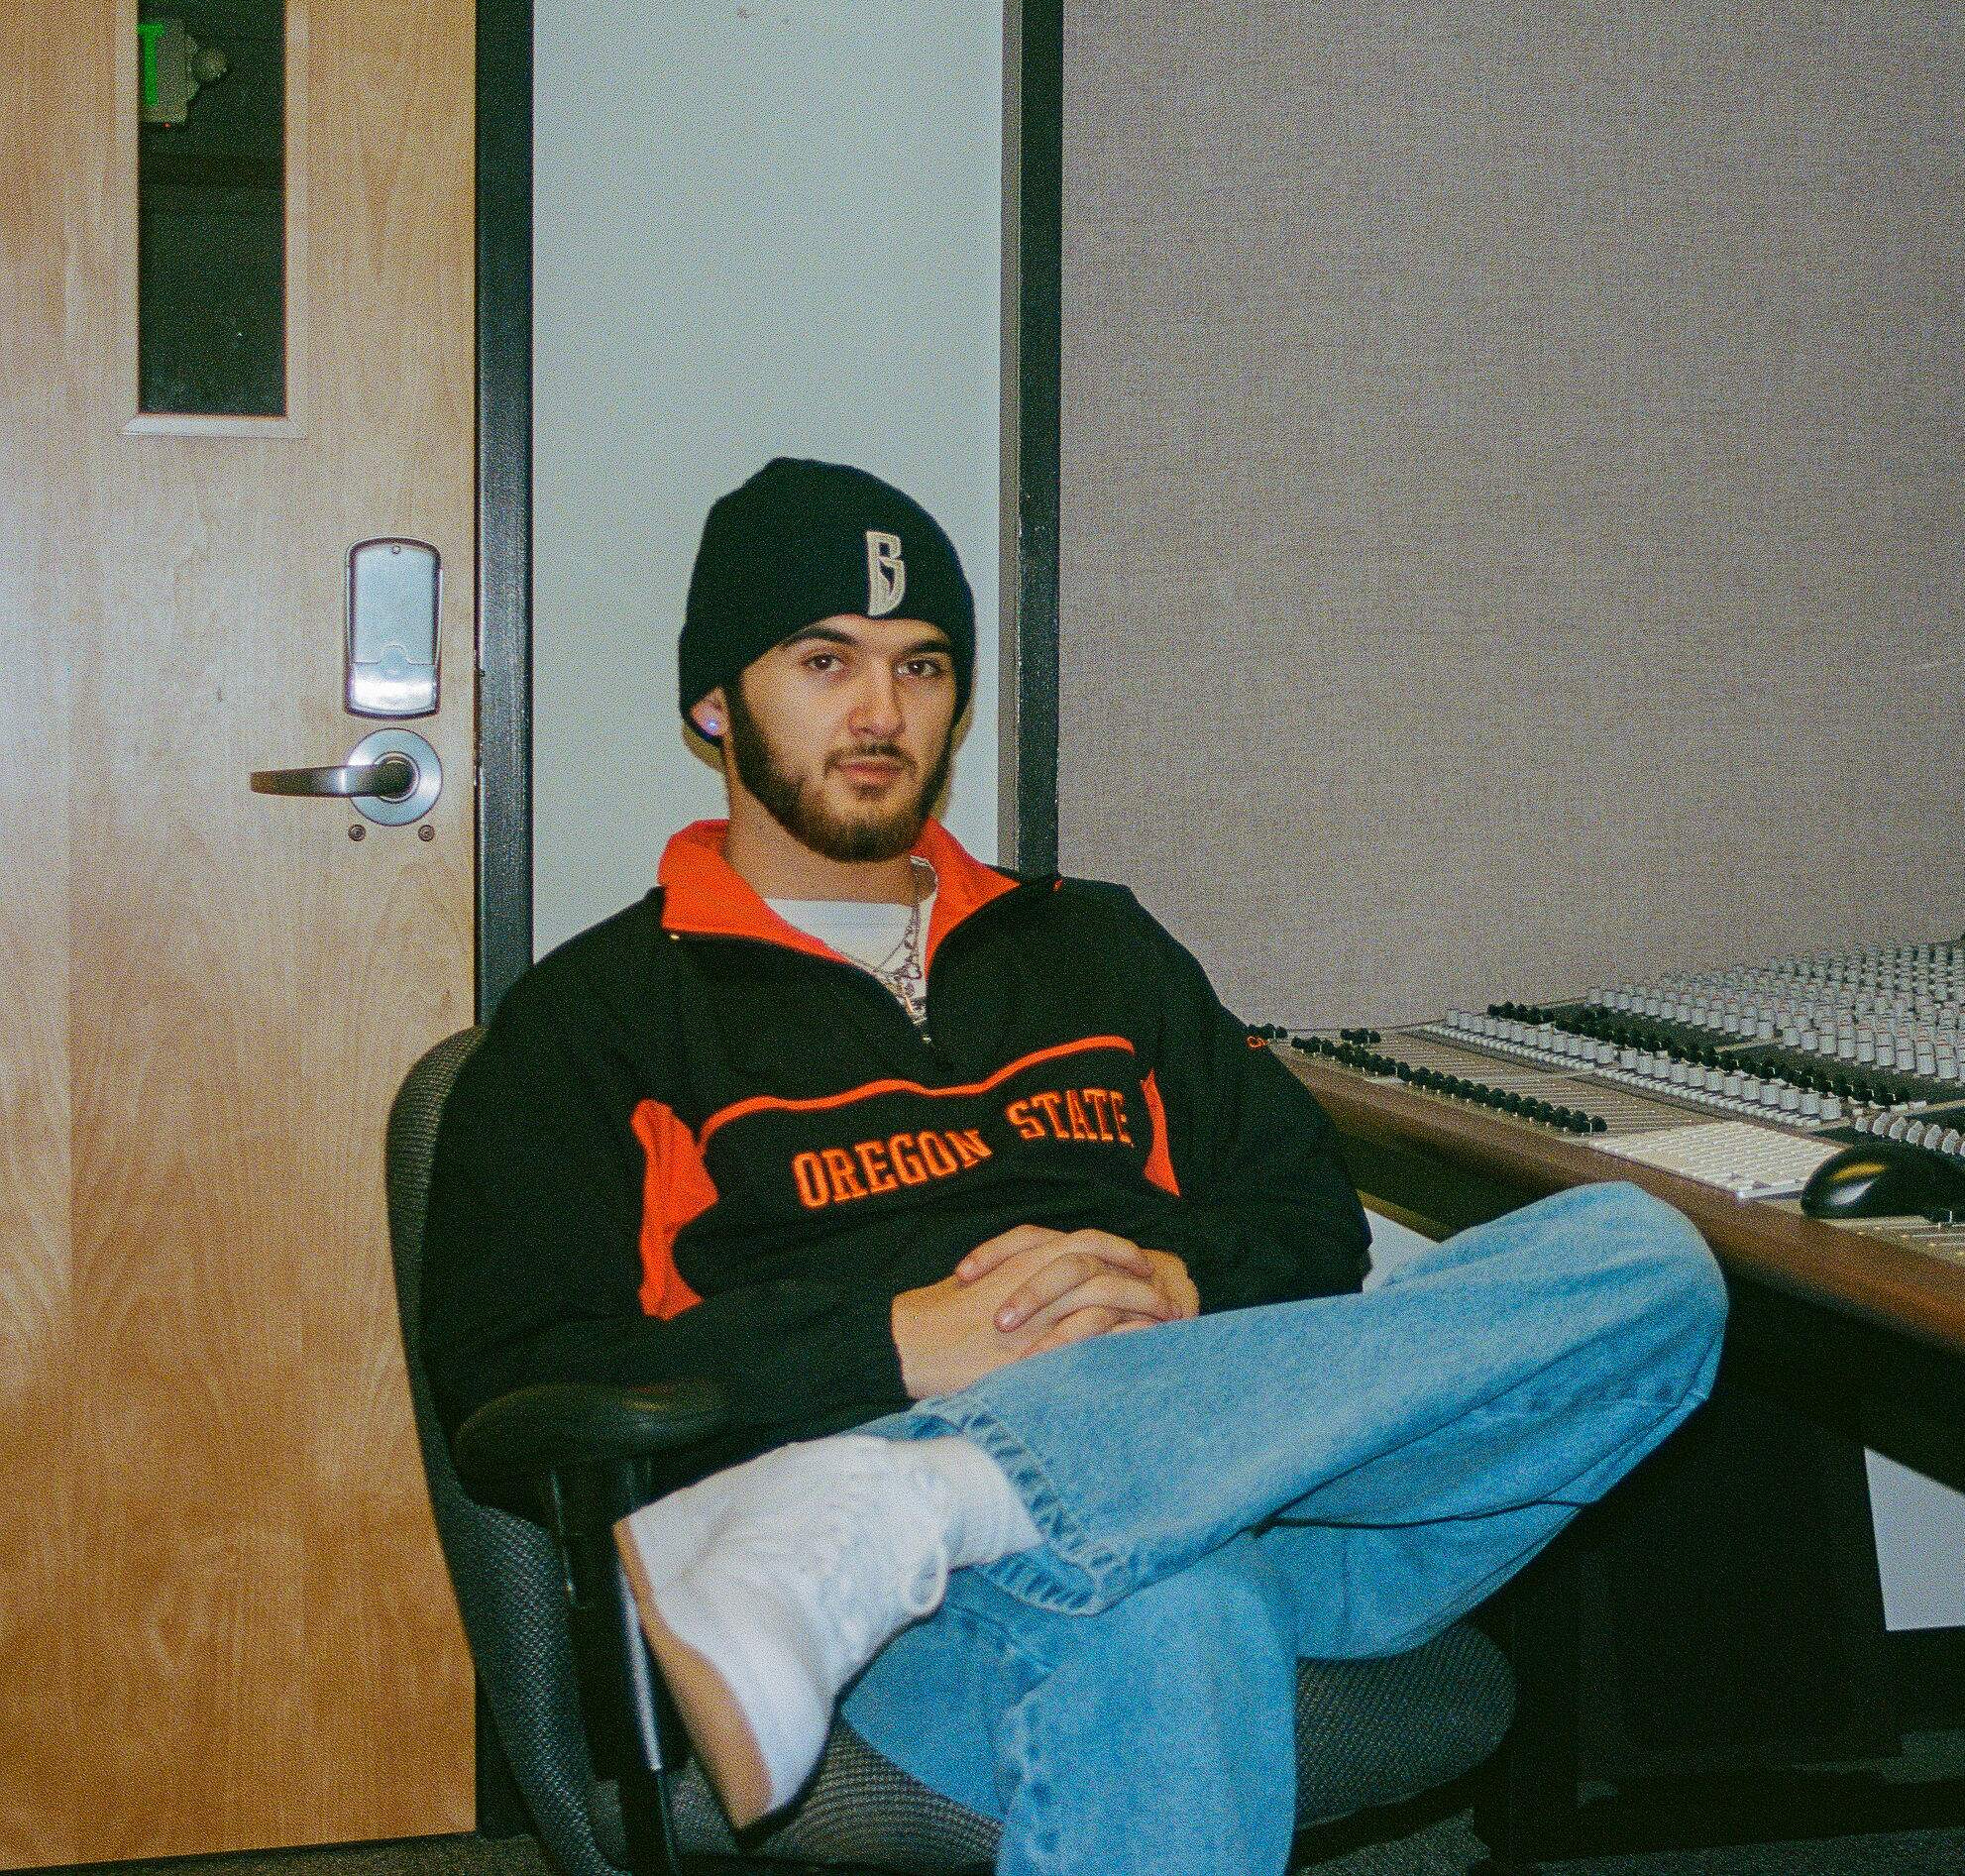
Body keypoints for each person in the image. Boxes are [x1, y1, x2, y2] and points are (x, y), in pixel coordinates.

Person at [420, 457, 1726, 1876]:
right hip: (908, 1623)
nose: (881, 712)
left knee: (1646, 1261)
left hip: (1263, 1500)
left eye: (923, 666)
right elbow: (512, 1376)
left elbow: (1304, 1215)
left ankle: (938, 1496)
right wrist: (900, 1344)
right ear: (715, 702)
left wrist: (1176, 1280)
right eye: (824, 660)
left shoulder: (1095, 947)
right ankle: (911, 1512)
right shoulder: (602, 1017)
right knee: (1175, 1611)